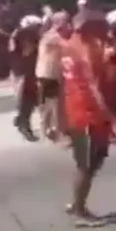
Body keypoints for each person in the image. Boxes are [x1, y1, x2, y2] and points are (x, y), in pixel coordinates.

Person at [60, 9, 116, 227]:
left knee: (90, 162)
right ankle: (80, 212)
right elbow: (93, 88)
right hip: (89, 115)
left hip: (79, 112)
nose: (105, 28)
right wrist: (114, 120)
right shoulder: (84, 50)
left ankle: (75, 203)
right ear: (88, 27)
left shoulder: (73, 44)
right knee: (86, 165)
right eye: (100, 24)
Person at [35, 11, 70, 141]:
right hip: (48, 74)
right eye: (66, 21)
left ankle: (49, 129)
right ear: (59, 23)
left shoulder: (51, 35)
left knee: (50, 103)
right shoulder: (53, 37)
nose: (68, 24)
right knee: (53, 103)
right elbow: (68, 47)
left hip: (50, 74)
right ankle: (55, 131)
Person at [9, 14, 42, 141]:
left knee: (29, 99)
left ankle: (21, 119)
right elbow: (27, 52)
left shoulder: (17, 33)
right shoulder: (26, 36)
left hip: (21, 69)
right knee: (28, 98)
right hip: (26, 70)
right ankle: (23, 123)